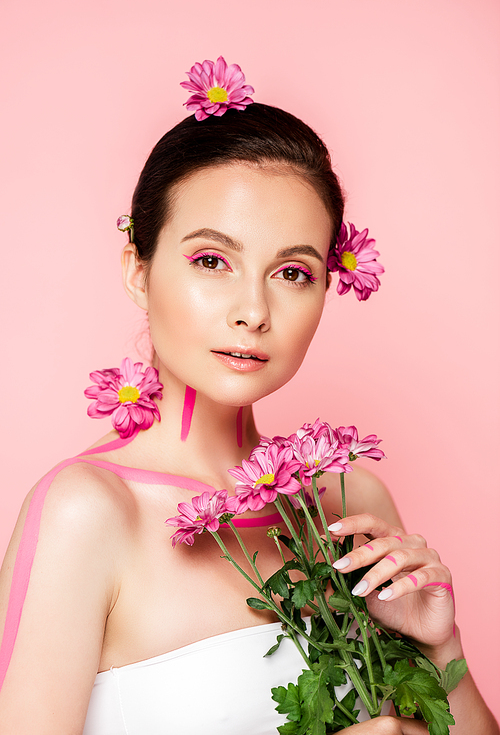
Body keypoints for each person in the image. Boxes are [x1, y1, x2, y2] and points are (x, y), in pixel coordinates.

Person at [0, 58, 497, 735]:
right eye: (211, 260)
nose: (253, 310)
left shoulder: (351, 504)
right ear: (138, 270)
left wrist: (442, 650)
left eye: (293, 271)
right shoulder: (86, 512)